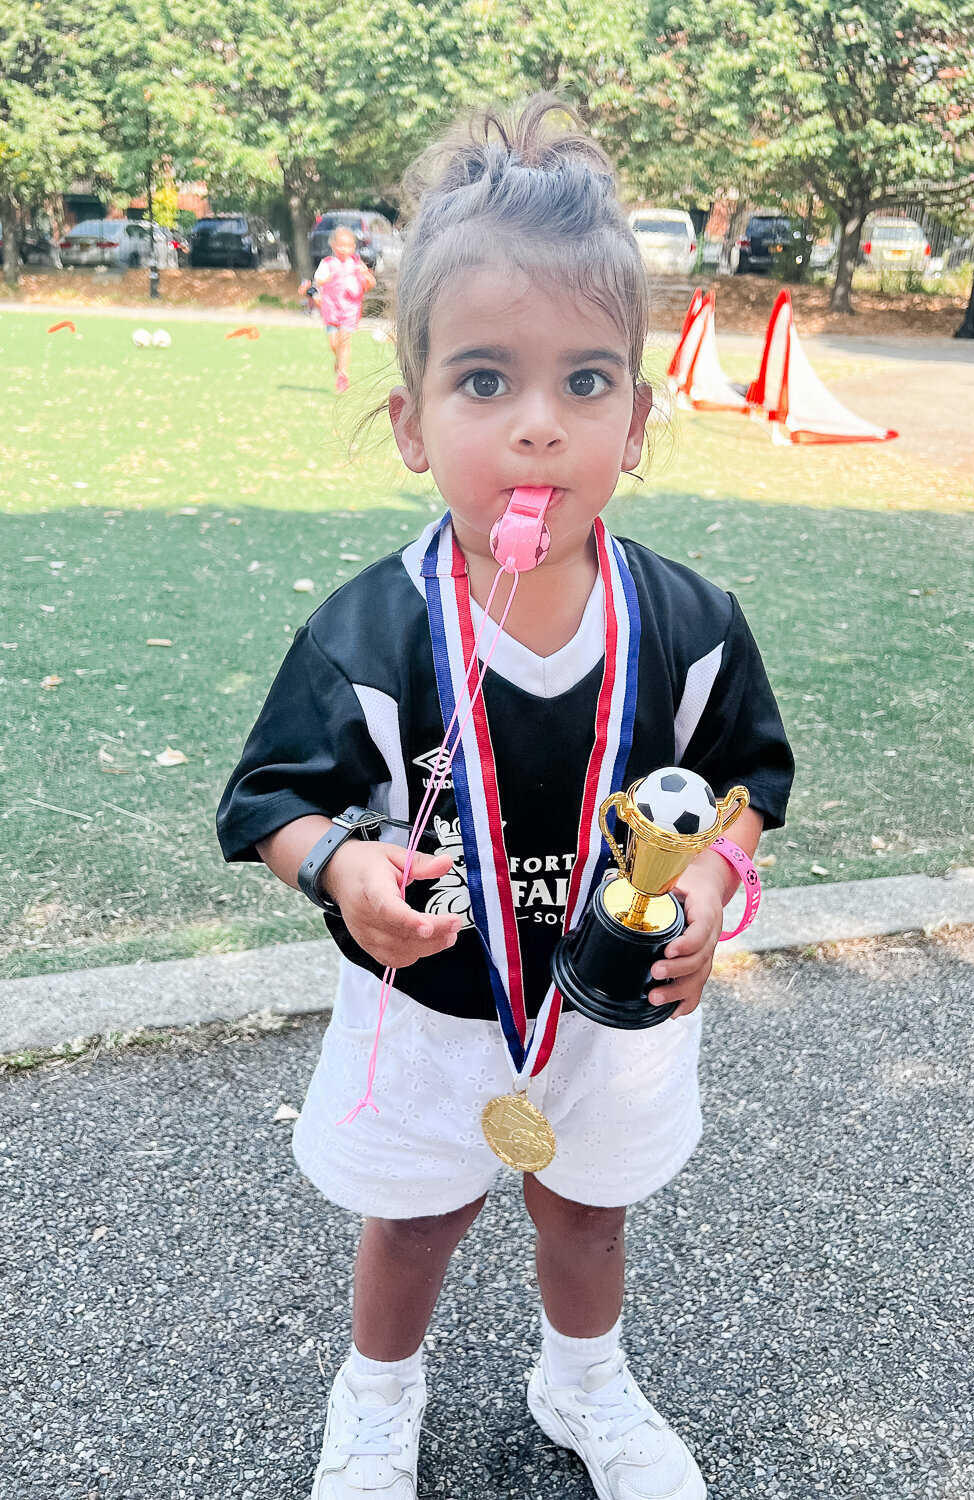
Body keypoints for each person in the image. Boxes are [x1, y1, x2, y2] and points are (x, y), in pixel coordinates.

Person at [217, 95, 793, 1500]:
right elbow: (270, 799)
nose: (537, 429)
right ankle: (375, 1396)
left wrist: (715, 881)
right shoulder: (369, 630)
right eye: (486, 383)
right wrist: (340, 868)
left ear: (638, 421)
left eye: (583, 383)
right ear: (411, 423)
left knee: (586, 1210)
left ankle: (579, 1376)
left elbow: (741, 784)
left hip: (611, 1002)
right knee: (410, 1228)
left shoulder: (691, 624)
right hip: (429, 1011)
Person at [303, 224, 376, 393]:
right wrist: (324, 281)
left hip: (350, 309)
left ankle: (343, 376)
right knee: (333, 343)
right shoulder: (328, 263)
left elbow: (370, 283)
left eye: (349, 245)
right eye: (341, 245)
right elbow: (319, 280)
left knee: (345, 341)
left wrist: (365, 275)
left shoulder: (357, 265)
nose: (345, 249)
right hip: (331, 309)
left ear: (354, 247)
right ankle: (339, 360)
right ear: (333, 245)